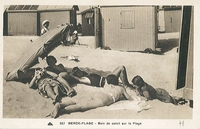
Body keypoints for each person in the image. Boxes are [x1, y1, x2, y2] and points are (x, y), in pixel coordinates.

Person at [47, 75, 150, 118]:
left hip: (98, 92)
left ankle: (60, 104)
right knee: (82, 106)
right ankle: (62, 110)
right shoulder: (121, 88)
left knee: (76, 100)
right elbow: (129, 98)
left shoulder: (106, 85)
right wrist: (135, 98)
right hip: (106, 98)